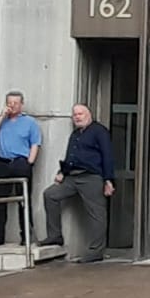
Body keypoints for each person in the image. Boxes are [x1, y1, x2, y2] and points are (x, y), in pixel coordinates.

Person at [43, 103, 116, 263]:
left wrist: (108, 180)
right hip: (72, 177)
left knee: (97, 214)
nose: (77, 117)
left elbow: (107, 155)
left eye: (80, 114)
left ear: (89, 115)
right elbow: (70, 156)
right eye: (74, 114)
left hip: (91, 177)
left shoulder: (99, 131)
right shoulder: (75, 134)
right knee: (50, 194)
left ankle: (95, 252)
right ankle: (55, 236)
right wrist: (62, 172)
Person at [0, 91, 41, 246]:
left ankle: (26, 235)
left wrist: (29, 162)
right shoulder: (1, 121)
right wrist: (2, 117)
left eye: (16, 103)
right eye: (10, 103)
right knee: (0, 200)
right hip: (3, 163)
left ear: (21, 104)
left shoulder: (30, 122)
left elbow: (35, 144)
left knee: (24, 200)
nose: (12, 106)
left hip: (21, 162)